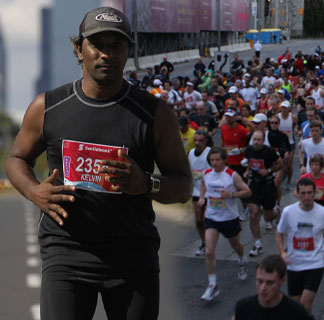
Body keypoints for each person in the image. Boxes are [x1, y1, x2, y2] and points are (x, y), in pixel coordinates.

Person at [5, 7, 192, 319]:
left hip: (133, 258)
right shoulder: (48, 106)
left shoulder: (155, 113)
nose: (106, 54)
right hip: (67, 255)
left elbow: (183, 185)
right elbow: (16, 158)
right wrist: (34, 191)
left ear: (128, 51)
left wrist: (146, 183)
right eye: (97, 44)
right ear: (80, 49)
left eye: (116, 45)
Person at [276, 178, 324, 314]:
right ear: (297, 194)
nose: (306, 197)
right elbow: (279, 232)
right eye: (303, 193)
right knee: (297, 307)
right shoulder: (288, 212)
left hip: (315, 263)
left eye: (310, 193)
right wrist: (282, 252)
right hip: (294, 263)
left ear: (315, 193)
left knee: (304, 304)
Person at [197, 147, 251, 301]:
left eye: (217, 160)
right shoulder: (207, 174)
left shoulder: (232, 175)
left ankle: (242, 260)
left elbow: (247, 192)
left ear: (224, 160)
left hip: (229, 218)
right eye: (212, 160)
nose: (214, 163)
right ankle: (212, 285)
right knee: (209, 251)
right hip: (212, 217)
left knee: (236, 245)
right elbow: (202, 185)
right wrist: (202, 198)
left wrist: (232, 194)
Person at [234, 255, 312, 320]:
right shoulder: (243, 308)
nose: (263, 288)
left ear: (282, 280)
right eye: (260, 281)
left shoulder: (296, 313)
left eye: (270, 283)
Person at [245, 130, 283, 257]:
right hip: (255, 186)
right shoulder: (249, 150)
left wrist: (268, 170)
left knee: (268, 217)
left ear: (263, 141)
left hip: (267, 186)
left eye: (258, 140)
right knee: (253, 214)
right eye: (254, 139)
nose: (256, 142)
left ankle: (276, 212)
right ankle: (257, 244)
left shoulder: (269, 151)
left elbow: (280, 164)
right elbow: (250, 163)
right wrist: (248, 172)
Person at [189, 131, 211, 256]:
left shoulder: (210, 153)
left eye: (200, 140)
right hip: (196, 191)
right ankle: (204, 242)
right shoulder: (191, 153)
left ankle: (209, 242)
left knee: (205, 219)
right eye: (195, 140)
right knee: (198, 221)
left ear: (205, 141)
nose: (197, 143)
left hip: (209, 192)